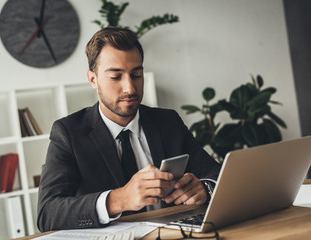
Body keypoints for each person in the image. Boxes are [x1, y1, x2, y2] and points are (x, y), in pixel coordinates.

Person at [37, 26, 221, 232]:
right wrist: (118, 199)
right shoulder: (68, 133)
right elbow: (48, 213)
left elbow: (214, 173)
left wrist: (204, 188)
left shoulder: (168, 121)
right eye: (116, 77)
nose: (130, 88)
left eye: (136, 75)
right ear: (92, 79)